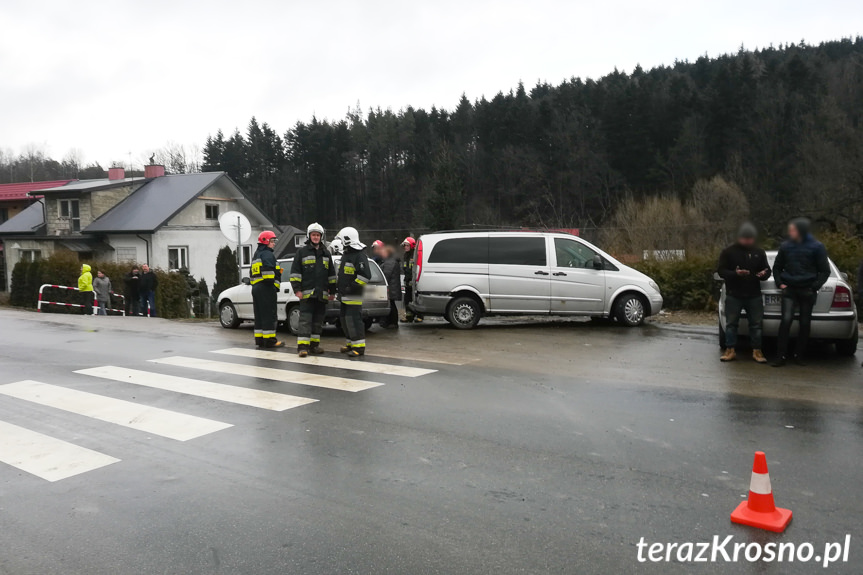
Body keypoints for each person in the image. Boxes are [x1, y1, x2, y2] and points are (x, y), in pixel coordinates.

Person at [771, 217, 830, 367]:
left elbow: (824, 271)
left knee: (805, 323)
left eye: (793, 230)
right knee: (785, 321)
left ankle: (799, 355)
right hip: (789, 289)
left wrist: (814, 287)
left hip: (807, 290)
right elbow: (777, 267)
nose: (790, 232)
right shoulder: (786, 246)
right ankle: (781, 356)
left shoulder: (817, 247)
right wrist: (780, 283)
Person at [716, 223, 771, 363]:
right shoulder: (728, 252)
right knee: (731, 324)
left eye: (750, 238)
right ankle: (730, 350)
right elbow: (721, 271)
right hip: (734, 294)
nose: (747, 241)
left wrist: (764, 274)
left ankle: (757, 351)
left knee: (756, 324)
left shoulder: (759, 252)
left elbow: (767, 270)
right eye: (745, 238)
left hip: (754, 294)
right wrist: (735, 273)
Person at [290, 223, 336, 357]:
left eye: (318, 235)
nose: (315, 237)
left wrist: (332, 292)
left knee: (318, 322)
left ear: (321, 237)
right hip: (306, 295)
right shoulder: (301, 252)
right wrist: (297, 290)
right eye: (313, 235)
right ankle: (303, 348)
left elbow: (332, 275)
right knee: (305, 321)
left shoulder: (326, 253)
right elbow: (295, 273)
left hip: (321, 294)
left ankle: (314, 346)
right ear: (309, 236)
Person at [336, 226, 371, 358]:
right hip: (345, 294)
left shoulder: (359, 255)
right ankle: (350, 343)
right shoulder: (347, 254)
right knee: (345, 320)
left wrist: (352, 288)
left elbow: (365, 276)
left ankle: (359, 348)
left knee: (354, 320)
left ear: (347, 240)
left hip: (353, 294)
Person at [251, 230, 284, 348]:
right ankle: (270, 341)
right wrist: (276, 278)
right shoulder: (268, 254)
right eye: (272, 241)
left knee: (259, 315)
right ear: (265, 241)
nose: (274, 243)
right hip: (266, 288)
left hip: (256, 288)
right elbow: (269, 275)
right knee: (269, 315)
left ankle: (260, 340)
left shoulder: (256, 255)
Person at [400, 236, 423, 323]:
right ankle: (409, 316)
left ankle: (420, 316)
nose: (405, 247)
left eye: (407, 245)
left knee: (416, 299)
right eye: (405, 245)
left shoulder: (415, 255)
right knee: (407, 300)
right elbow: (406, 270)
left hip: (414, 282)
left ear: (412, 246)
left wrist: (413, 280)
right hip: (407, 282)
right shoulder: (405, 256)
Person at [378, 244, 401, 328]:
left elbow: (385, 275)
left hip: (390, 288)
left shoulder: (389, 262)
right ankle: (392, 322)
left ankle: (392, 322)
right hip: (392, 287)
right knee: (391, 304)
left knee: (391, 305)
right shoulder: (391, 261)